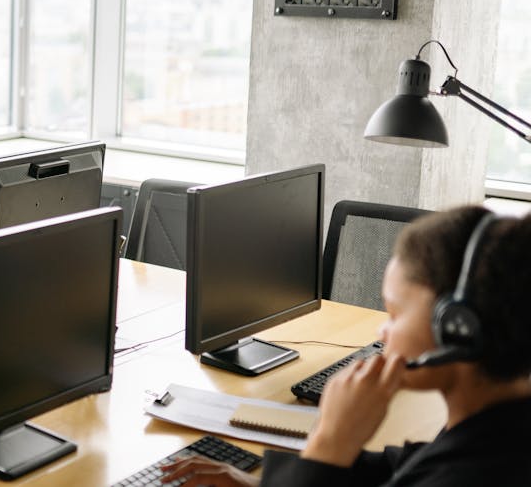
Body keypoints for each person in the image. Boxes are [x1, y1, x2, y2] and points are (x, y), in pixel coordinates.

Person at [161, 205, 531, 486]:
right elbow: (407, 465)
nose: (382, 331)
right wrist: (265, 482)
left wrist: (330, 441)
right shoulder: (500, 423)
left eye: (395, 312)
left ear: (457, 328)